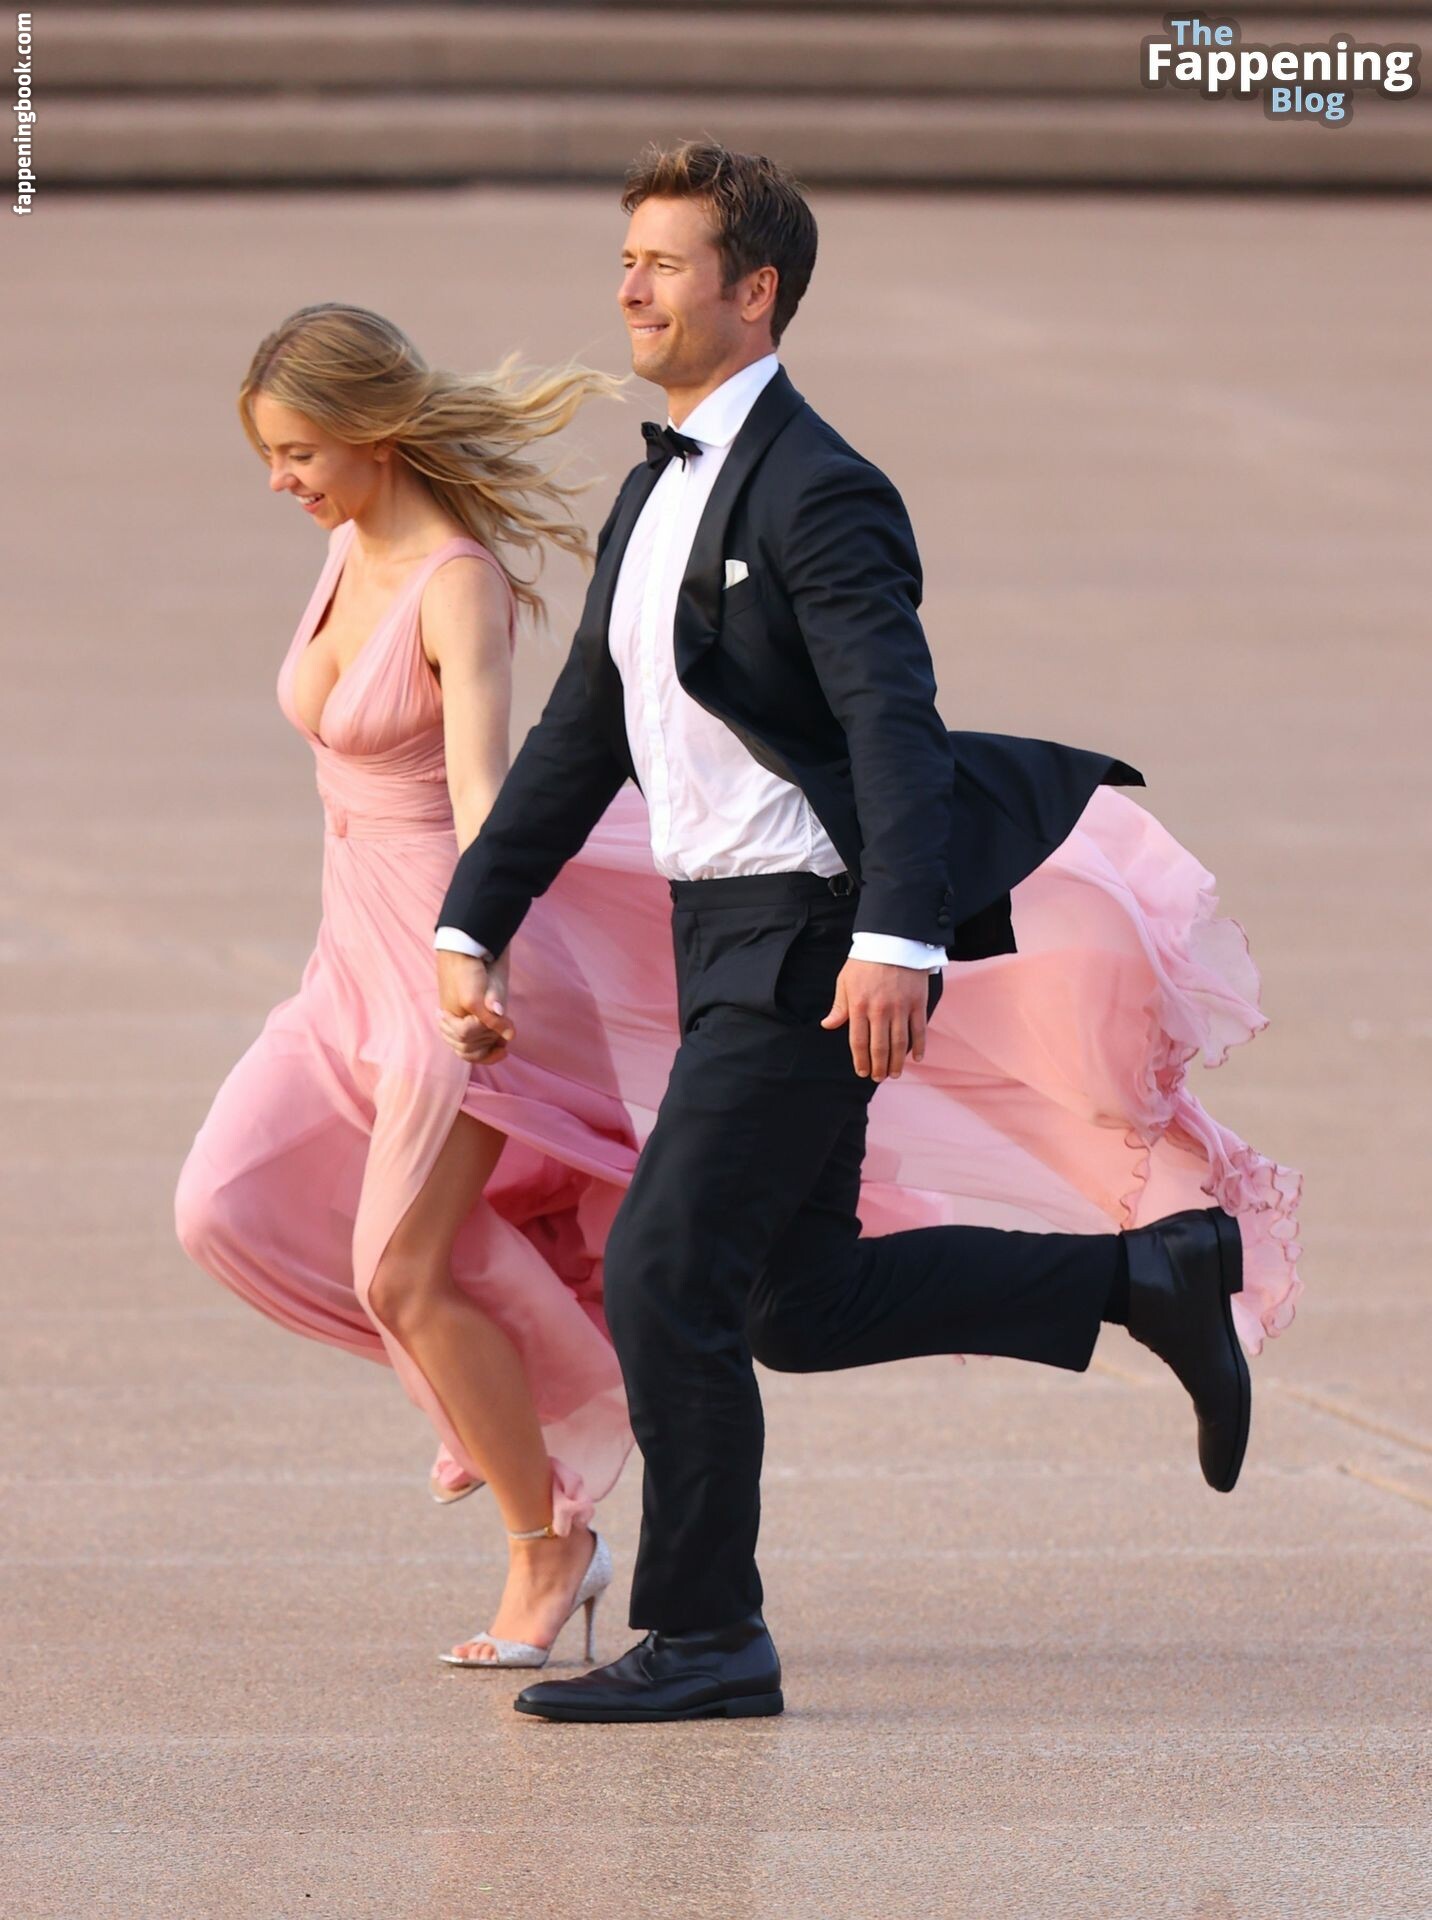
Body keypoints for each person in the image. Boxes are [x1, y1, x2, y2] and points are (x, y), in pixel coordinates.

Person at [433, 140, 1304, 1723]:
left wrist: (897, 940)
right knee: (796, 1299)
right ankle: (1147, 1278)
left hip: (811, 929)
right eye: (625, 258)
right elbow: (582, 734)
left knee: (666, 1267)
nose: (630, 286)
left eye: (665, 261)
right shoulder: (655, 488)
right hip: (718, 933)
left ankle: (708, 1635)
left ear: (754, 290)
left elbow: (894, 725)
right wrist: (472, 914)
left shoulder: (820, 488)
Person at [175, 304, 639, 1668]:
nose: (282, 481)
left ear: (373, 433)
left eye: (298, 452)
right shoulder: (343, 547)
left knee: (402, 1269)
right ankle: (479, 1397)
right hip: (345, 966)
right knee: (224, 1207)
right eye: (270, 455)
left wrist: (474, 954)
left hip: (452, 966)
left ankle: (549, 1545)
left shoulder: (456, 584)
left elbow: (489, 791)